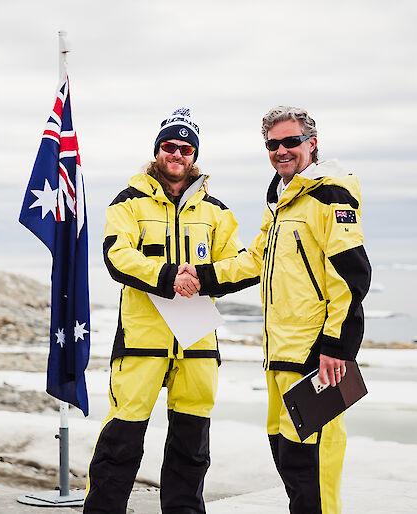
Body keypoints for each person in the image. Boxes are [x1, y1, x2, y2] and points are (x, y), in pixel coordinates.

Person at [176, 106, 371, 514]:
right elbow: (253, 261)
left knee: (312, 468)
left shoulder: (328, 195)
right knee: (288, 460)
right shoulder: (281, 201)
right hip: (279, 357)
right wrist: (202, 276)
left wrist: (337, 346)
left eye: (290, 141)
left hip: (317, 359)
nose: (281, 150)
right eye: (272, 144)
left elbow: (352, 276)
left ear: (311, 144)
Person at [83, 108, 256, 514]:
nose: (177, 153)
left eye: (186, 147)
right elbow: (116, 257)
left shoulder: (216, 211)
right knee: (120, 443)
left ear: (194, 155)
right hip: (142, 341)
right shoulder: (127, 202)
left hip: (197, 342)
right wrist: (168, 277)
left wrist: (202, 277)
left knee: (191, 448)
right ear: (157, 150)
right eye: (169, 146)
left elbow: (239, 264)